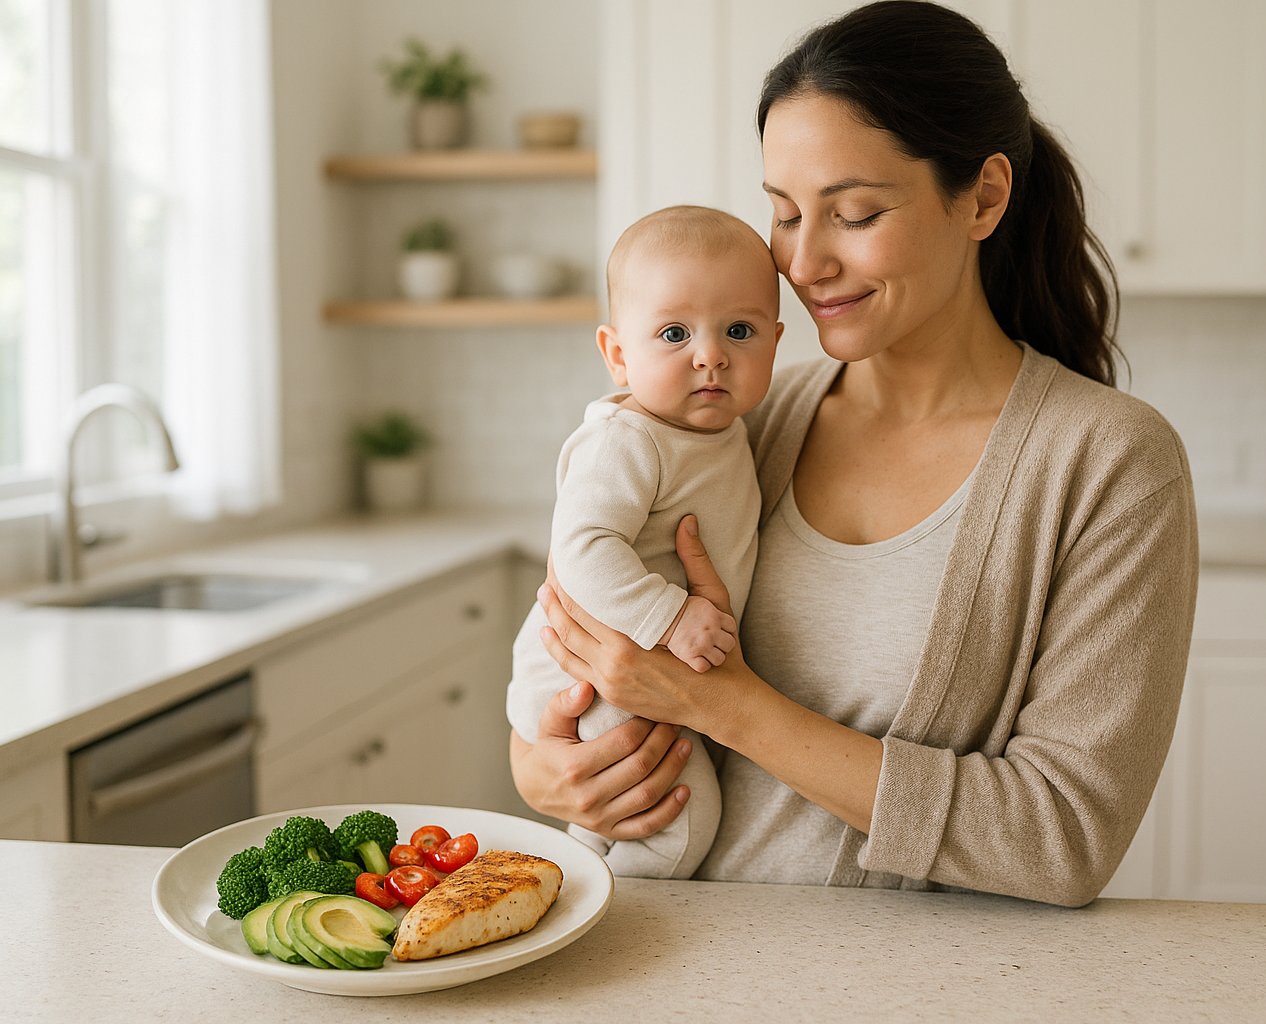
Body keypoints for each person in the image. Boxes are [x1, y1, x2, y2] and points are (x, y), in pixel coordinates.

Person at [510, 0, 1198, 908]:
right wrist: (544, 766)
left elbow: (1063, 839)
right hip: (671, 954)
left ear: (983, 197)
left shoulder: (1108, 464)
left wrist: (723, 703)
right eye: (786, 215)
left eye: (856, 213)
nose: (805, 262)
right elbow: (578, 629)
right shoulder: (749, 421)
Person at [507, 205, 784, 879]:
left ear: (776, 341)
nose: (711, 354)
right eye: (674, 332)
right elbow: (583, 549)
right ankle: (614, 938)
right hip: (592, 679)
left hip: (637, 678)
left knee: (611, 825)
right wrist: (672, 616)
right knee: (678, 826)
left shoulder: (720, 431)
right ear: (618, 355)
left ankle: (576, 890)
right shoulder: (630, 438)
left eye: (739, 330)